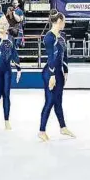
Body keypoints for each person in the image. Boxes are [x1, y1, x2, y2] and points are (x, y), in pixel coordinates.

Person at [38, 10, 74, 141]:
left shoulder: (61, 36)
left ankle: (63, 127)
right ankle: (41, 130)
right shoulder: (49, 37)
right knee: (50, 101)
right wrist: (52, 74)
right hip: (50, 72)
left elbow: (64, 55)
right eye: (63, 21)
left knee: (58, 101)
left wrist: (66, 71)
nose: (64, 23)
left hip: (59, 72)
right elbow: (51, 56)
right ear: (59, 21)